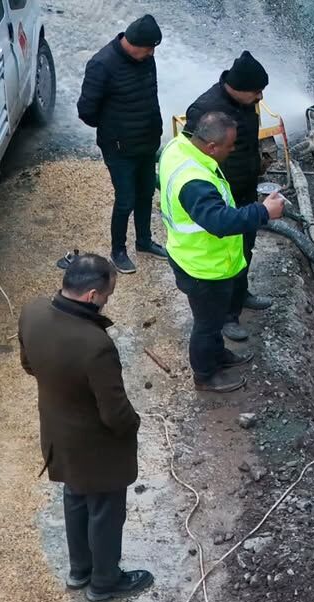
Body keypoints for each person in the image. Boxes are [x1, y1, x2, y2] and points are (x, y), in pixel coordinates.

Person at [18, 254, 153, 602]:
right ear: (92, 295)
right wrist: (134, 425)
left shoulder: (32, 311)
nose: (108, 300)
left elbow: (29, 364)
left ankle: (80, 570)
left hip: (58, 434)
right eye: (107, 294)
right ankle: (105, 581)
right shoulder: (95, 346)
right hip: (97, 447)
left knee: (75, 496)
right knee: (106, 511)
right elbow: (114, 414)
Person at [158, 111, 285, 393]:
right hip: (204, 265)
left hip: (194, 257)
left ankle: (217, 357)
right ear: (212, 146)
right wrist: (264, 211)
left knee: (212, 321)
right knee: (206, 324)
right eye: (229, 146)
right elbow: (220, 222)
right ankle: (205, 376)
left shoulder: (178, 147)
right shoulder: (195, 183)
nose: (232, 151)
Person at [185, 51, 274, 342]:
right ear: (239, 87)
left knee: (244, 250)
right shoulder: (205, 110)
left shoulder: (246, 104)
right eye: (257, 91)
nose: (260, 97)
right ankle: (227, 316)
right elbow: (193, 158)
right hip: (222, 195)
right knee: (226, 258)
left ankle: (241, 293)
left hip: (246, 186)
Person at [77, 14, 167, 274]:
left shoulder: (147, 59)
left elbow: (151, 94)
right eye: (149, 48)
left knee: (146, 193)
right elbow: (86, 111)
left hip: (147, 143)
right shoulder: (102, 64)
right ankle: (118, 250)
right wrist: (114, 130)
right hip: (119, 149)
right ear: (134, 42)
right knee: (125, 200)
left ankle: (144, 241)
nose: (152, 54)